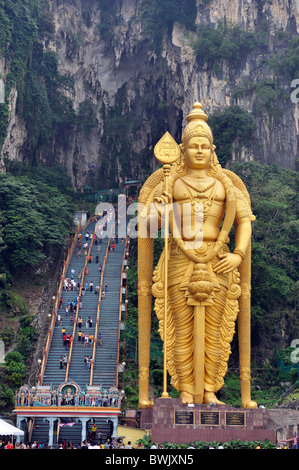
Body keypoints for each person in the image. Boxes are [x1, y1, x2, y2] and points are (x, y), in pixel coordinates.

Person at [138, 102, 257, 409]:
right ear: (183, 150)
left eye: (205, 146)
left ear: (213, 149)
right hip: (180, 259)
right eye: (194, 146)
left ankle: (210, 391)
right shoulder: (172, 182)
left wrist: (238, 255)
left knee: (216, 331)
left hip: (219, 261)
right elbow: (147, 225)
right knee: (181, 329)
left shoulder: (226, 184)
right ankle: (186, 392)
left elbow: (244, 221)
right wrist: (161, 208)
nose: (200, 151)